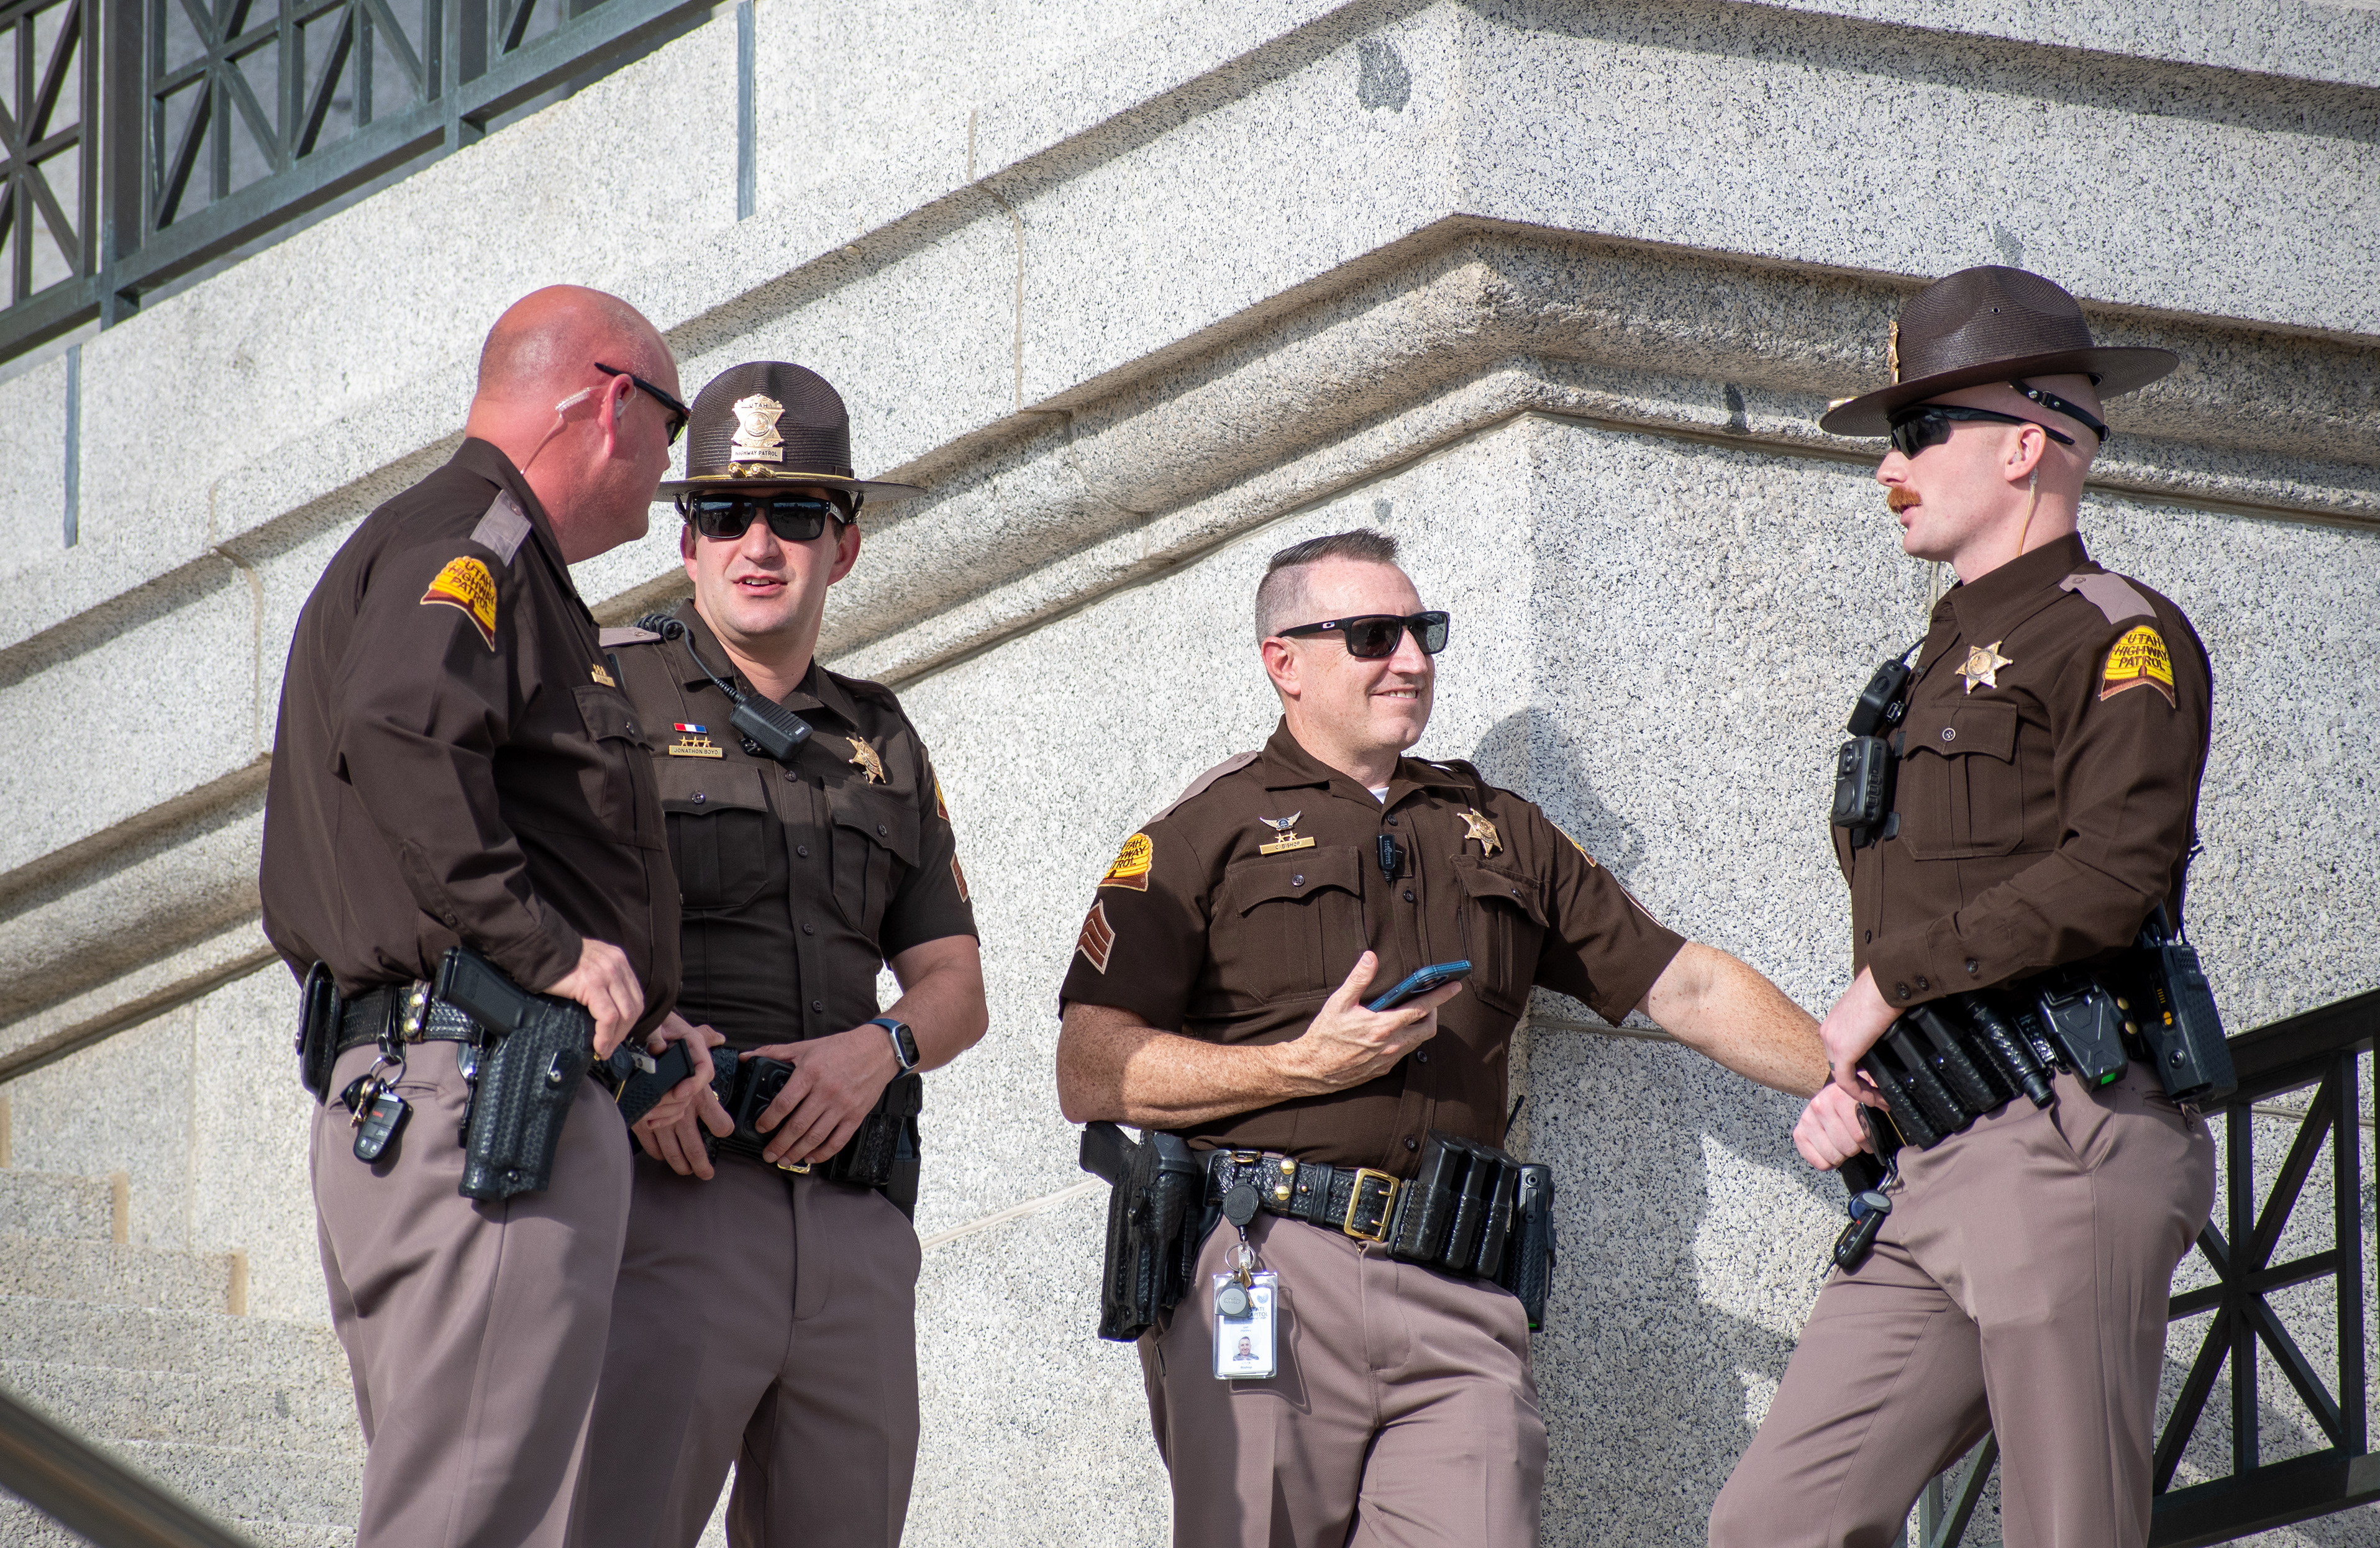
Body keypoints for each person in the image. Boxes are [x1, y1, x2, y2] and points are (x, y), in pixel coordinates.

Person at [1055, 528, 1830, 1548]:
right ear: (1283, 661)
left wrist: (1854, 1072)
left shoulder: (1498, 826)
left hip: (1459, 1288)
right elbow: (1089, 1065)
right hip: (1271, 1268)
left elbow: (1680, 983)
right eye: (1373, 636)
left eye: (1424, 633)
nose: (1411, 660)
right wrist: (1299, 1066)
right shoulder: (1208, 831)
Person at [1708, 266, 2218, 1548]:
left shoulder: (2118, 632)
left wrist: (1886, 988)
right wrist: (1859, 1069)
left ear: (2028, 439)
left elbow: (2115, 875)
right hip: (1928, 1152)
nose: (1893, 463)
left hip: (2065, 1137)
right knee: (1773, 1524)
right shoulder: (1917, 669)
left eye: (1922, 429)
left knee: (2069, 1528)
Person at [262, 286, 721, 1547]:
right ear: (611, 397)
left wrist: (639, 1016)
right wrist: (554, 952)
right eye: (673, 428)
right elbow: (404, 727)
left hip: (439, 1084)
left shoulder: (459, 543)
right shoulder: (481, 535)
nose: (669, 471)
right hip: (481, 1093)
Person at [580, 362, 988, 1548]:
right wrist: (630, 1045)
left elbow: (957, 984)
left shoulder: (880, 733)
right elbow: (528, 911)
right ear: (690, 540)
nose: (761, 541)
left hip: (855, 1223)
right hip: (670, 1188)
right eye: (726, 513)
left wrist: (884, 1049)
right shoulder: (602, 693)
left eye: (797, 514)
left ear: (845, 546)